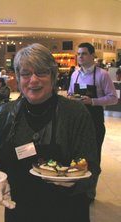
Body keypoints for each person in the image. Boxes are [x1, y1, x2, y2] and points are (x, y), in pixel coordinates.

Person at [0, 43, 100, 222]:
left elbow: (92, 166)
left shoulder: (75, 113)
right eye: (25, 73)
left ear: (53, 76)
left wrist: (75, 182)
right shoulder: (5, 114)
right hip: (20, 210)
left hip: (67, 210)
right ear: (17, 77)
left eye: (41, 72)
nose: (33, 80)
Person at [68, 42, 118, 201]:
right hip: (77, 123)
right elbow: (70, 93)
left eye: (83, 54)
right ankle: (78, 188)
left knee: (93, 158)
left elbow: (113, 98)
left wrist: (92, 101)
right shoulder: (74, 74)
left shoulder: (102, 75)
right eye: (78, 54)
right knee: (77, 156)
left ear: (92, 56)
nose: (80, 57)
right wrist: (70, 99)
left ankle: (90, 192)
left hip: (95, 123)